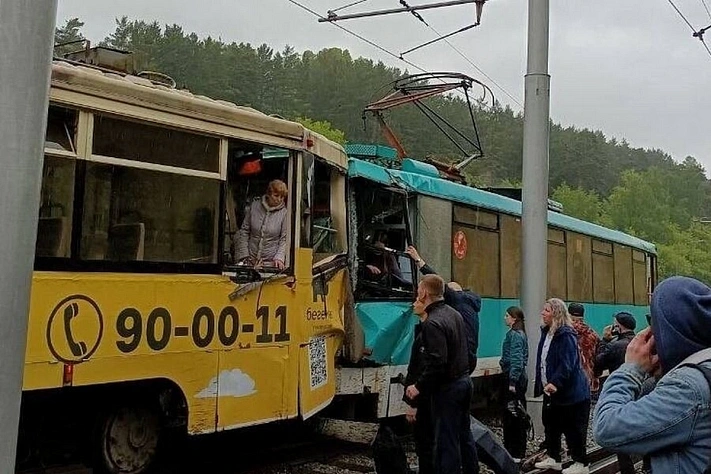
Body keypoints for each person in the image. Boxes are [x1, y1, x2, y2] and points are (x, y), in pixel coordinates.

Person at [593, 276, 711, 473]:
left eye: (654, 322)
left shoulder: (688, 387)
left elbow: (606, 429)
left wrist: (631, 370)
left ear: (672, 328)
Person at [405, 274, 479, 474]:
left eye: (419, 289)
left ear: (425, 293)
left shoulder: (432, 323)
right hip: (464, 382)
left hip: (448, 389)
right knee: (464, 435)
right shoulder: (453, 314)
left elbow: (437, 362)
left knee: (446, 442)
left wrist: (418, 387)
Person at [534, 298, 591, 474]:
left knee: (573, 428)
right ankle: (554, 457)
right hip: (552, 391)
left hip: (571, 393)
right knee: (551, 425)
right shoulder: (546, 332)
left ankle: (581, 463)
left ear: (556, 313)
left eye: (546, 310)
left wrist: (555, 382)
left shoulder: (566, 334)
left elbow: (568, 363)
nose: (542, 313)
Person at [405, 246, 481, 372]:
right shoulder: (469, 307)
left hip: (458, 356)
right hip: (469, 356)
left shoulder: (457, 299)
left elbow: (437, 283)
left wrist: (418, 260)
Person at [592, 312, 637, 474]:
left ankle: (627, 470)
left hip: (622, 392)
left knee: (620, 432)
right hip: (640, 392)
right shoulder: (639, 342)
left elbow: (598, 361)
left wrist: (604, 340)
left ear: (618, 326)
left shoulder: (615, 346)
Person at [403, 297, 434, 474]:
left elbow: (423, 369)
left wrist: (413, 404)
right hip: (430, 398)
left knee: (425, 442)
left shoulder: (427, 334)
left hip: (423, 399)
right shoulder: (428, 330)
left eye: (417, 300)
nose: (413, 303)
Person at [236, 179, 288, 269]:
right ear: (268, 194)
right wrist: (244, 255)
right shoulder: (254, 206)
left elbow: (284, 238)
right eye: (276, 196)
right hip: (250, 261)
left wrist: (279, 258)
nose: (279, 199)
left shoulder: (284, 213)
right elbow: (244, 231)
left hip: (271, 264)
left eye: (282, 197)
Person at [499, 306, 529, 462]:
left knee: (513, 413)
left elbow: (516, 360)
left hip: (513, 378)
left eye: (507, 315)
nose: (505, 318)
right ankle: (517, 450)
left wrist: (512, 381)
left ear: (514, 319)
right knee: (517, 411)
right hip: (517, 378)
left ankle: (515, 451)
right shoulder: (520, 334)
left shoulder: (514, 335)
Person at [568, 302, 601, 393]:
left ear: (568, 315)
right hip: (587, 381)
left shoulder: (565, 333)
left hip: (568, 381)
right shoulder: (593, 334)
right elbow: (598, 358)